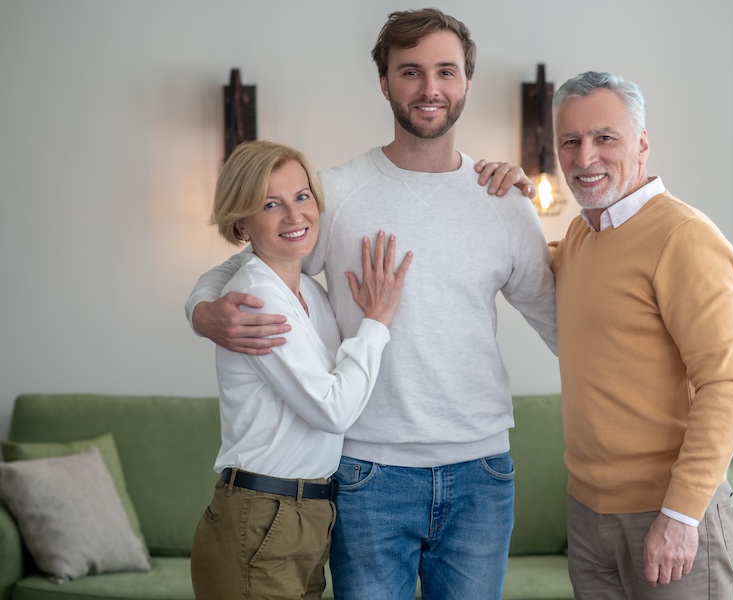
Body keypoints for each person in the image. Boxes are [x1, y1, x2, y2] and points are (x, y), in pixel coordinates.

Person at [185, 9, 557, 600]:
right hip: (366, 475)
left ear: (465, 82)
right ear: (385, 83)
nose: (429, 88)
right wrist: (203, 310)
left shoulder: (504, 201)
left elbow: (562, 323)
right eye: (410, 72)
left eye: (445, 71)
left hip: (481, 474)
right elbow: (250, 262)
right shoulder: (336, 194)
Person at [549, 70, 733, 599]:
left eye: (605, 138)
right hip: (587, 514)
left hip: (667, 514)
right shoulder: (579, 235)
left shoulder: (684, 238)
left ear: (641, 144)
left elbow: (726, 386)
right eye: (570, 141)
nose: (584, 156)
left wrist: (681, 513)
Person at [189, 140, 412, 600]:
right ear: (241, 222)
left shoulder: (308, 291)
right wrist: (375, 324)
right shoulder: (258, 298)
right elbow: (333, 411)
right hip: (262, 514)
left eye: (302, 197)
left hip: (303, 515)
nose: (295, 217)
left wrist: (196, 306)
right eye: (271, 204)